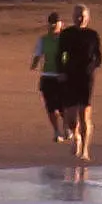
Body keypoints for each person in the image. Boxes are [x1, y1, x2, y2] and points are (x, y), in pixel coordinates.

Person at [54, 4, 102, 162]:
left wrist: (91, 67)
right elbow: (60, 54)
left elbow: (98, 57)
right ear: (73, 17)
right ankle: (76, 137)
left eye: (82, 16)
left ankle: (85, 150)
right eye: (77, 15)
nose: (80, 18)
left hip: (86, 78)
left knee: (84, 115)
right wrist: (61, 71)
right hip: (69, 77)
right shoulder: (66, 34)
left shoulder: (93, 35)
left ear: (88, 17)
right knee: (70, 119)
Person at [32, 10, 70, 143]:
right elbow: (37, 54)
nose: (53, 25)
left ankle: (66, 127)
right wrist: (34, 64)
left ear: (61, 24)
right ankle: (56, 131)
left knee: (63, 106)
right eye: (51, 23)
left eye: (56, 22)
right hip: (47, 76)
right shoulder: (43, 40)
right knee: (50, 107)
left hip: (62, 76)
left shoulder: (66, 39)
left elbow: (70, 56)